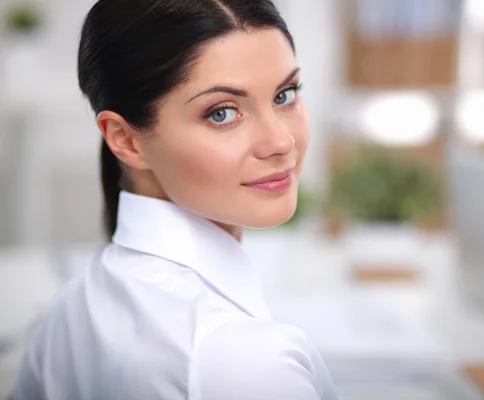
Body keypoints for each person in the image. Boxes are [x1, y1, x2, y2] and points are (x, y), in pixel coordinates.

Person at [12, 0, 339, 398]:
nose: (281, 142)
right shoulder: (246, 359)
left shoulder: (71, 305)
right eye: (222, 113)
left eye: (285, 94)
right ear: (126, 139)